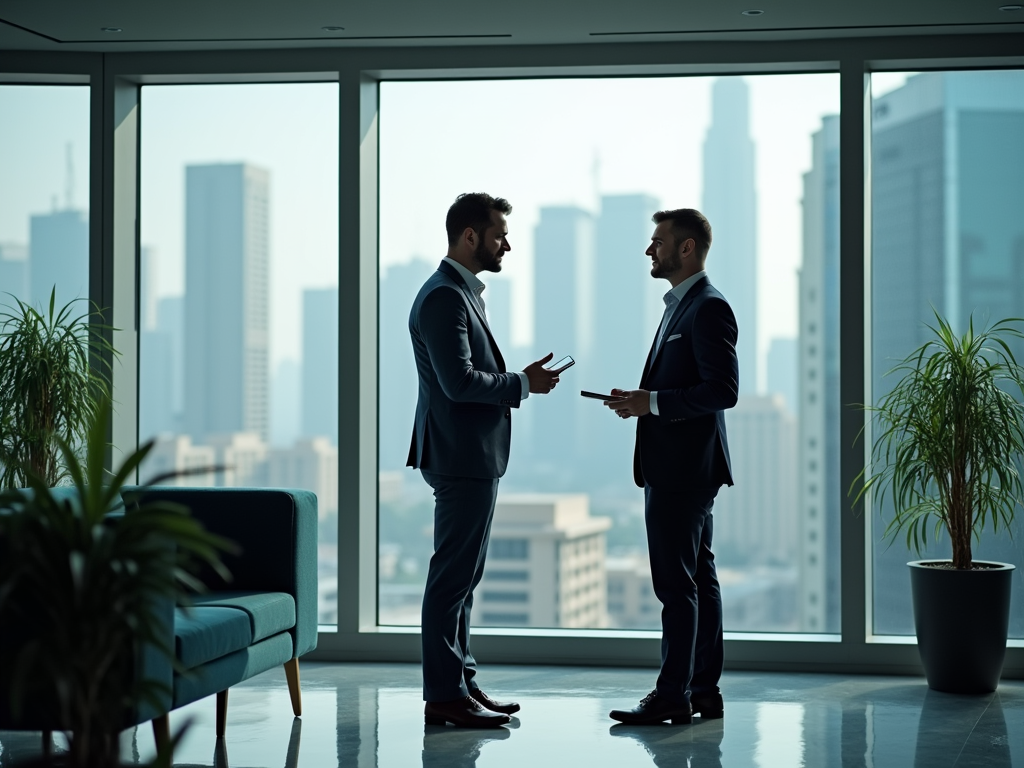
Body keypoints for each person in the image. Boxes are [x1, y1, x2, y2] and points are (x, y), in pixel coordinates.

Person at [408, 192, 560, 728]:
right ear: (470, 236)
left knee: (463, 578)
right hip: (460, 456)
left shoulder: (460, 294)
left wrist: (519, 379)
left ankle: (461, 684)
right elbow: (459, 383)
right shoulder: (445, 297)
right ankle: (445, 694)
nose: (507, 244)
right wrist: (523, 383)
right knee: (451, 578)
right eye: (499, 234)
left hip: (471, 455)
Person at [605, 208, 738, 725]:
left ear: (686, 248)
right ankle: (701, 689)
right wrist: (643, 401)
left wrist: (653, 403)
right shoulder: (677, 309)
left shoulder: (707, 308)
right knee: (698, 580)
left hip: (684, 471)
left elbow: (722, 390)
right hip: (678, 467)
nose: (649, 249)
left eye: (657, 241)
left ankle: (672, 697)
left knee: (676, 586)